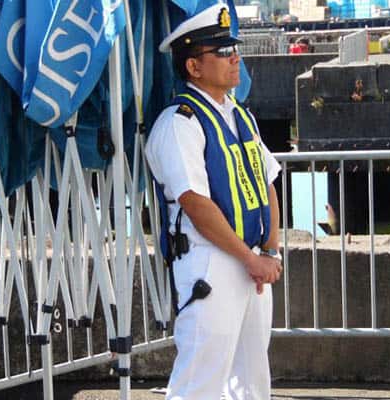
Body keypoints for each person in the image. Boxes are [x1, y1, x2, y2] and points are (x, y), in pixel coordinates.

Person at [145, 4, 283, 399]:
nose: (235, 57)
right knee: (200, 381)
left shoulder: (241, 117)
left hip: (251, 260)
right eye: (222, 52)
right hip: (211, 262)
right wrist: (250, 258)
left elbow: (266, 182)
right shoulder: (179, 123)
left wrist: (269, 250)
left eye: (234, 49)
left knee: (252, 380)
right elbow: (196, 204)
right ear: (193, 67)